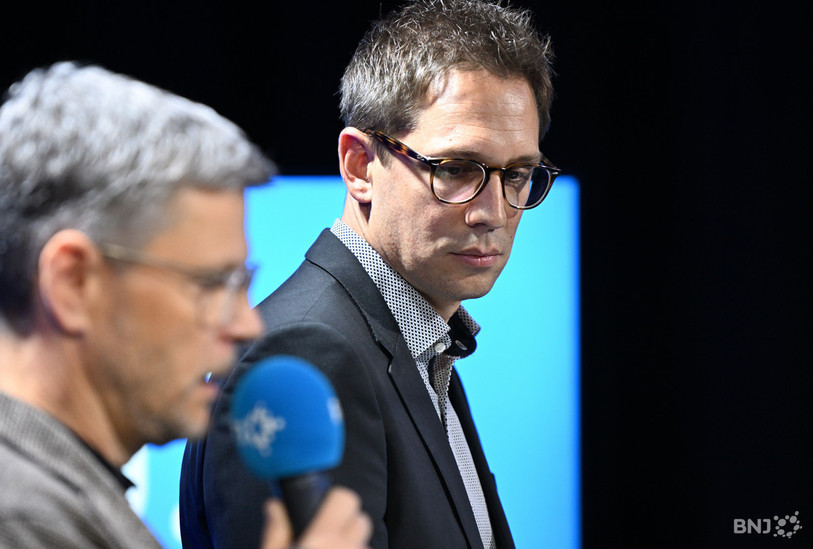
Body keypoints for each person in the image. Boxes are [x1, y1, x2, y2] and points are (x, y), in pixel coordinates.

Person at [180, 0, 558, 547]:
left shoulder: (423, 343)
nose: (494, 212)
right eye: (455, 169)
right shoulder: (303, 359)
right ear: (360, 166)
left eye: (518, 174)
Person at [0, 62, 371, 549]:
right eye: (212, 284)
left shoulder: (62, 496)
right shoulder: (24, 520)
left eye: (242, 283)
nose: (246, 325)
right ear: (73, 283)